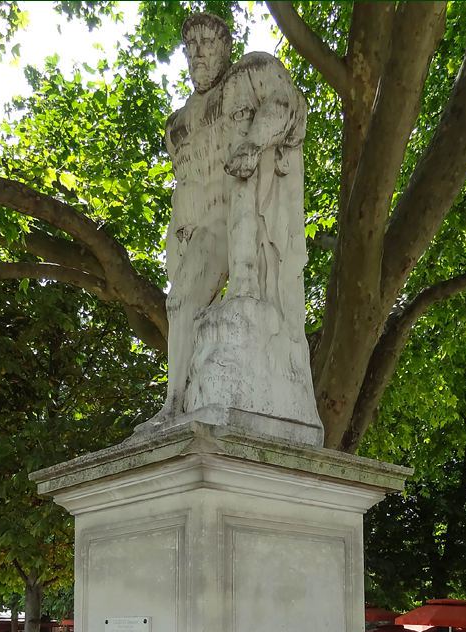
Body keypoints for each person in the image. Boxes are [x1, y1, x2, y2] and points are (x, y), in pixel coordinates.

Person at [155, 12, 316, 428]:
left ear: (226, 48)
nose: (197, 54)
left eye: (207, 44)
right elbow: (186, 186)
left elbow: (287, 106)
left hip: (250, 206)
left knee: (242, 179)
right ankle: (173, 404)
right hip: (208, 224)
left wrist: (252, 142)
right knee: (179, 300)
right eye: (190, 47)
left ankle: (246, 288)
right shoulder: (179, 124)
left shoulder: (252, 70)